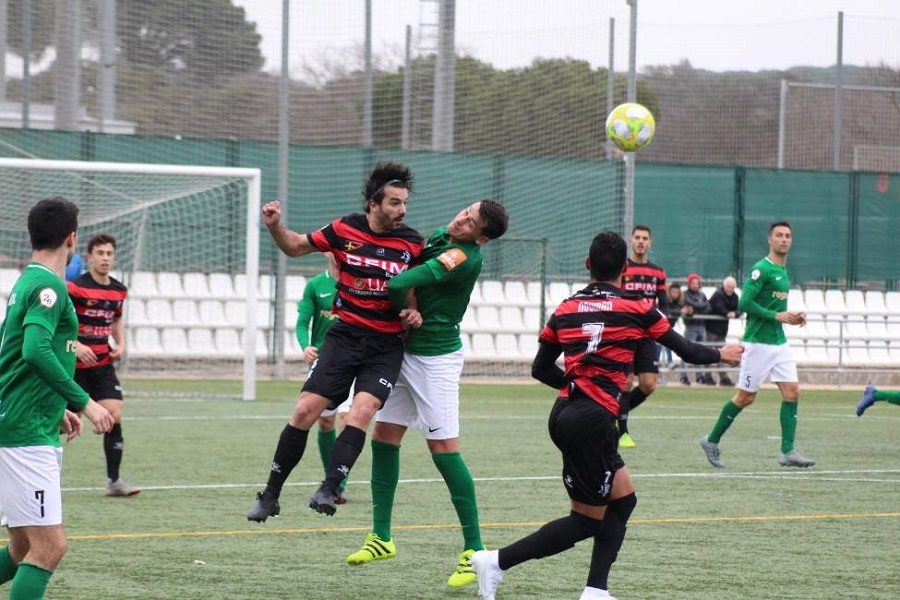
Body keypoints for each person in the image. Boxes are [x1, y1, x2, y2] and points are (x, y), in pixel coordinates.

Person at [470, 231, 742, 600]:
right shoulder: (636, 307)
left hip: (568, 413)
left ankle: (596, 590)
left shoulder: (565, 308)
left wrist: (576, 387)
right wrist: (721, 354)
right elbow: (687, 350)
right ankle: (496, 562)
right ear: (625, 269)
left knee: (624, 499)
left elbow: (539, 368)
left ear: (587, 265)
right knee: (585, 520)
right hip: (591, 421)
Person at [246, 162, 425, 522]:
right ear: (373, 204)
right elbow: (295, 247)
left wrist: (413, 313)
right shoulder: (344, 229)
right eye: (394, 202)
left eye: (404, 203)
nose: (401, 210)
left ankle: (330, 487)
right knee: (303, 411)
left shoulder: (413, 243)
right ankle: (270, 495)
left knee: (360, 412)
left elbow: (414, 293)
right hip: (344, 338)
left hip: (385, 345)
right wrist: (275, 225)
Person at [345, 200, 509, 589]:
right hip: (403, 351)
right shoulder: (440, 235)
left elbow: (399, 282)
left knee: (444, 450)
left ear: (481, 237)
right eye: (466, 210)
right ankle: (381, 537)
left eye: (472, 221)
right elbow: (409, 275)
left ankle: (475, 552)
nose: (462, 217)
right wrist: (410, 309)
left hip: (435, 359)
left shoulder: (462, 255)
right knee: (384, 437)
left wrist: (405, 304)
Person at [0, 197, 114, 599]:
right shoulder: (48, 286)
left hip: (23, 421)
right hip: (25, 435)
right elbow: (34, 350)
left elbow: (13, 357)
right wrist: (84, 400)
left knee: (21, 547)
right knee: (49, 547)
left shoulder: (28, 280)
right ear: (72, 237)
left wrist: (57, 405)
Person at [699, 221, 815, 469]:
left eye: (788, 236)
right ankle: (711, 440)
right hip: (758, 344)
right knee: (745, 398)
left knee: (793, 392)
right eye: (779, 235)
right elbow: (745, 304)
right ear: (770, 240)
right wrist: (777, 316)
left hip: (779, 343)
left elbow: (776, 309)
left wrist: (792, 317)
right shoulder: (760, 270)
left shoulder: (783, 272)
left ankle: (787, 451)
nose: (784, 239)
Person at [67, 233, 139, 497]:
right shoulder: (74, 288)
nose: (105, 258)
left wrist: (121, 344)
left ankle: (114, 482)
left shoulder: (118, 290)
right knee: (55, 421)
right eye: (100, 253)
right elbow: (59, 323)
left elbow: (116, 319)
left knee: (114, 414)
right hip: (73, 367)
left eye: (109, 253)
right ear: (90, 257)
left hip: (103, 365)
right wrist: (76, 346)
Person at [295, 251, 350, 504]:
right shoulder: (316, 285)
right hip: (325, 363)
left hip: (355, 361)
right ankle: (332, 477)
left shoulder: (359, 283)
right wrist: (306, 346)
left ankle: (337, 484)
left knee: (348, 420)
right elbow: (302, 322)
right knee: (325, 424)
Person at [616, 225, 668, 448]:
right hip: (626, 334)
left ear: (650, 242)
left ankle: (615, 414)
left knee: (648, 384)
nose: (640, 241)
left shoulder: (658, 272)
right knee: (625, 381)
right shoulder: (622, 268)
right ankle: (622, 432)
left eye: (644, 238)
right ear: (631, 240)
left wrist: (663, 325)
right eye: (637, 237)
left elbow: (664, 303)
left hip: (647, 336)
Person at [704, 276, 742, 386]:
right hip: (711, 329)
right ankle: (707, 376)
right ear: (724, 286)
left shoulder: (735, 296)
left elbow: (739, 309)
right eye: (728, 287)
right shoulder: (718, 295)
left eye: (732, 287)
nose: (730, 289)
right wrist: (727, 314)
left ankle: (723, 378)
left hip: (722, 330)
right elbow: (718, 308)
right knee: (708, 353)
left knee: (722, 355)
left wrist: (734, 314)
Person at [681, 272, 713, 385]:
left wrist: (696, 308)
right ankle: (683, 376)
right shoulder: (685, 294)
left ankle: (699, 376)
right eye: (693, 283)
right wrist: (700, 306)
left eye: (697, 283)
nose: (695, 285)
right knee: (686, 351)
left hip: (701, 326)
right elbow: (691, 304)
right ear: (689, 284)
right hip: (691, 327)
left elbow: (708, 308)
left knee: (700, 352)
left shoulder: (702, 295)